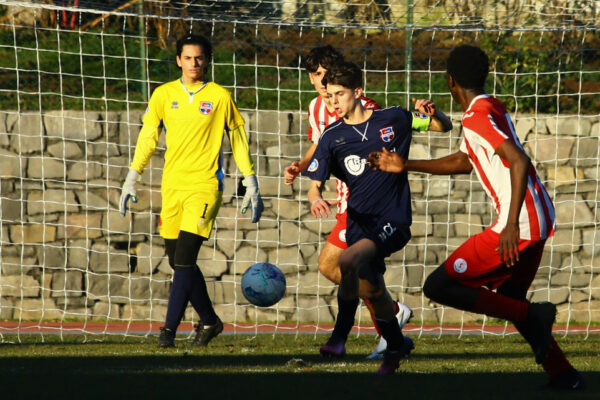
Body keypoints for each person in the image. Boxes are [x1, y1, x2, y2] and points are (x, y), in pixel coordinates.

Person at [368, 45, 584, 389]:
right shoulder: (490, 106)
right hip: (538, 217)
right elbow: (464, 161)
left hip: (521, 222)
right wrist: (404, 164)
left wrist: (510, 224)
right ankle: (564, 374)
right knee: (511, 299)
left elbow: (519, 160)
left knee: (439, 285)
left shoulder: (476, 116)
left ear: (450, 81)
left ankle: (537, 316)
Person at [307, 61, 452, 374]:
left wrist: (434, 112)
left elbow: (444, 127)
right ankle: (396, 347)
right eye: (329, 96)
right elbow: (314, 184)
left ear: (358, 92)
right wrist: (316, 198)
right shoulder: (332, 136)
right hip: (359, 222)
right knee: (373, 291)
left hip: (392, 219)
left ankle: (338, 337)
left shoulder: (394, 118)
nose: (333, 101)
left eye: (339, 94)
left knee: (346, 262)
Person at [119, 34, 264, 348]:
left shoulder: (220, 97)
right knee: (177, 261)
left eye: (199, 58)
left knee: (184, 261)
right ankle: (210, 321)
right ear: (178, 60)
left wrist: (250, 180)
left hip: (204, 187)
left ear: (207, 60)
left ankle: (167, 333)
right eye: (188, 58)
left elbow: (238, 139)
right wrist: (132, 177)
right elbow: (148, 138)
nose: (194, 63)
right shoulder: (163, 94)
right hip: (171, 188)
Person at [283, 45, 413, 359]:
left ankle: (356, 332)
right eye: (315, 75)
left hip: (374, 207)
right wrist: (302, 167)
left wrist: (430, 120)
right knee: (356, 273)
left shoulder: (367, 107)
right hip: (349, 206)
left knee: (339, 263)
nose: (320, 81)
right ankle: (391, 323)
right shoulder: (317, 108)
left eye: (325, 74)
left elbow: (381, 138)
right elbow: (320, 146)